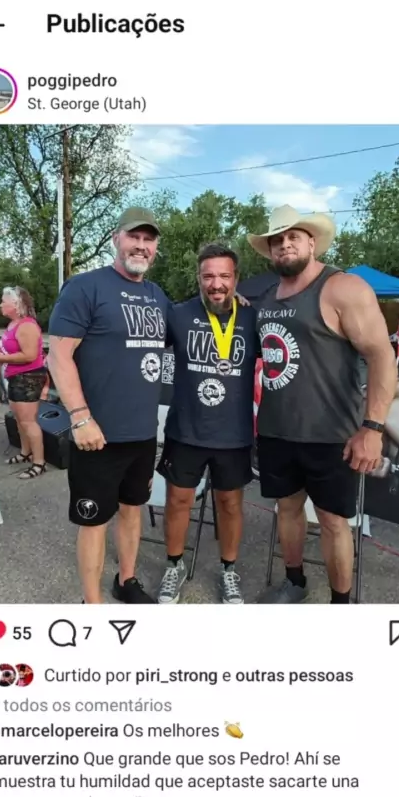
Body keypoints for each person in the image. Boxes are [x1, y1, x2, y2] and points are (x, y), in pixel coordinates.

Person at [247, 204, 397, 605]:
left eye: (293, 237)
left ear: (312, 243)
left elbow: (382, 356)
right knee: (287, 509)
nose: (285, 244)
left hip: (331, 435)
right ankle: (294, 582)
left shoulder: (342, 288)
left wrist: (373, 428)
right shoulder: (265, 299)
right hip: (277, 430)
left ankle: (340, 604)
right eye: (277, 240)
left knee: (333, 521)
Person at [48, 207, 169, 605]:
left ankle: (126, 581)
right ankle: (92, 604)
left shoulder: (157, 297)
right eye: (134, 236)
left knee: (133, 509)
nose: (141, 245)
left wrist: (232, 302)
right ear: (117, 238)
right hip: (96, 435)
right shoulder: (85, 287)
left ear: (155, 247)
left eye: (149, 239)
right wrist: (80, 417)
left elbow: (190, 324)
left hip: (142, 433)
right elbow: (59, 356)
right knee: (94, 520)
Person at [157, 243, 257, 604]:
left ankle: (229, 571)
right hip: (186, 430)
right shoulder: (178, 314)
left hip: (234, 433)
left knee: (230, 504)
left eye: (224, 276)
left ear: (236, 278)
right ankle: (174, 565)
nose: (216, 284)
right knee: (177, 501)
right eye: (208, 276)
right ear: (198, 278)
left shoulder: (253, 317)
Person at [0, 288, 47, 479]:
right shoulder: (13, 324)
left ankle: (39, 463)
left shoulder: (27, 326)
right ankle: (25, 452)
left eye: (3, 301)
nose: (0, 305)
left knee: (28, 421)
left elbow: (30, 355)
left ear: (15, 304)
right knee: (19, 419)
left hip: (28, 377)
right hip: (16, 377)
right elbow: (10, 353)